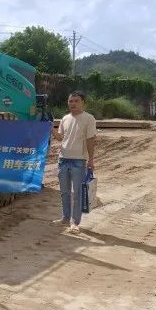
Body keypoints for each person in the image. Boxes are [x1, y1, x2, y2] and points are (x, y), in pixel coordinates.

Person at [50, 91, 97, 234]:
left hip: (79, 161)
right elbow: (60, 137)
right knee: (64, 192)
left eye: (76, 101)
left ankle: (75, 223)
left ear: (83, 102)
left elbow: (90, 140)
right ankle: (65, 218)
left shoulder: (89, 118)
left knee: (77, 193)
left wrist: (91, 160)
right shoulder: (65, 118)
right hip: (63, 160)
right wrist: (51, 128)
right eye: (71, 101)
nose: (73, 103)